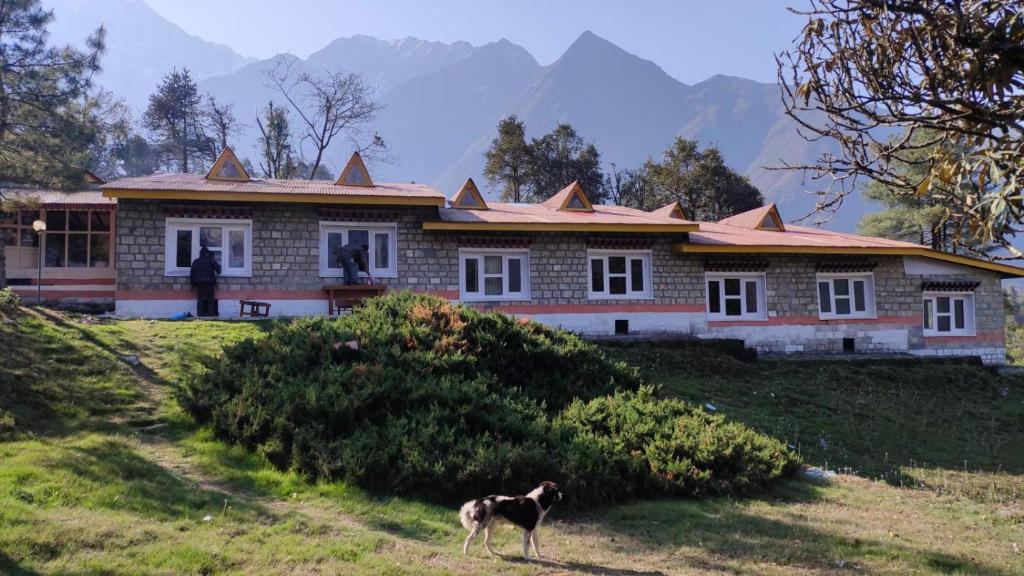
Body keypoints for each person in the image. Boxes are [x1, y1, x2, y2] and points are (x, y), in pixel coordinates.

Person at [190, 247, 221, 317]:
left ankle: (200, 316)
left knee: (200, 299)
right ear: (207, 254)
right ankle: (210, 315)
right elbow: (219, 270)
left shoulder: (196, 262)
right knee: (210, 300)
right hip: (210, 283)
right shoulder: (211, 261)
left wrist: (192, 285)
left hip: (199, 284)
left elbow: (192, 274)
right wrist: (213, 261)